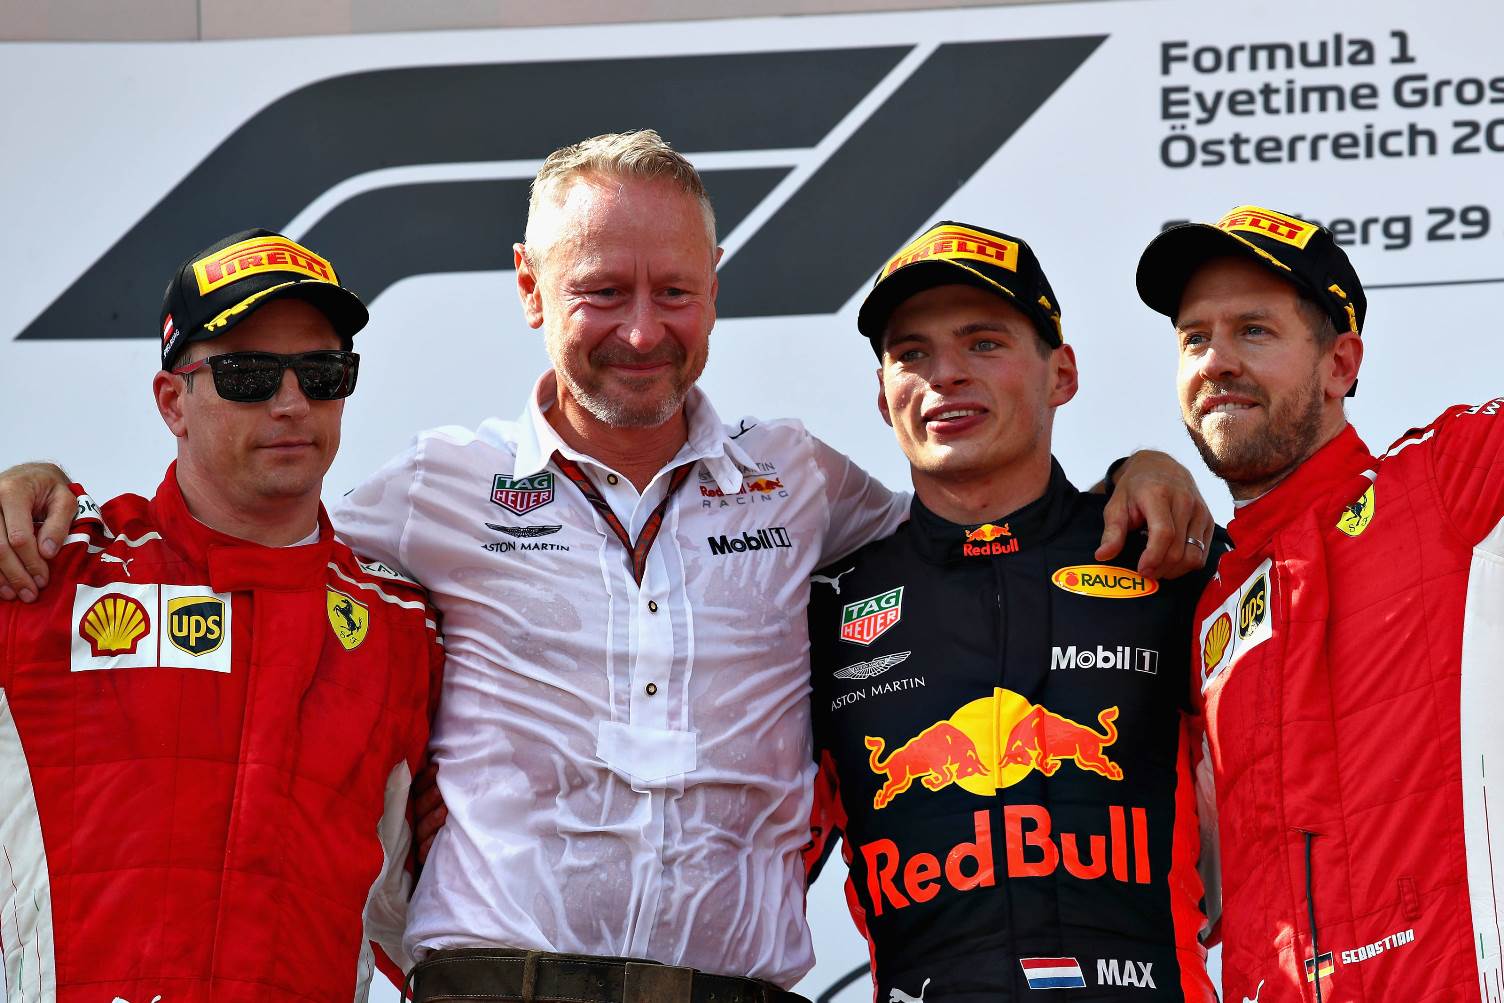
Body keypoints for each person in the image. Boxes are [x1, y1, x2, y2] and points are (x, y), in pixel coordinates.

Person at [0, 132, 1209, 1003]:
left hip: (736, 990)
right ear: (529, 289)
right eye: (600, 291)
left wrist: (1144, 469)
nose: (642, 328)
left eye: (674, 289)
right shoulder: (432, 489)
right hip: (493, 985)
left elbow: (973, 520)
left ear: (715, 289)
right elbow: (248, 541)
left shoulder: (803, 485)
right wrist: (37, 488)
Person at [0, 229, 443, 1002]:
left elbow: (443, 917)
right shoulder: (49, 569)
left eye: (322, 371)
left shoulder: (401, 626)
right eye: (247, 373)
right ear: (172, 399)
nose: (292, 402)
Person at [803, 221, 1219, 1003]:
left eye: (983, 344)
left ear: (1061, 373)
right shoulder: (822, 607)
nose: (944, 376)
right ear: (882, 395)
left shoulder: (1169, 555)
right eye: (911, 354)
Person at [1135, 204, 1504, 1003]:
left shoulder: (1446, 483)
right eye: (1194, 338)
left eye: (1254, 332)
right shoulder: (1199, 604)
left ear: (1340, 363)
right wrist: (1143, 463)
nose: (1217, 361)